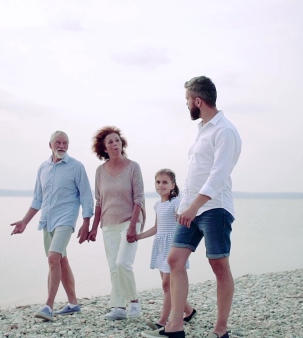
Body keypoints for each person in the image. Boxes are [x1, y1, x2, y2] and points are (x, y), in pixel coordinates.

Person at [142, 76, 242, 338]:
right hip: (191, 209)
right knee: (174, 259)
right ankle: (175, 326)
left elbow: (219, 175)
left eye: (187, 100)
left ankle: (220, 329)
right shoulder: (204, 130)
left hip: (215, 209)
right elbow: (196, 173)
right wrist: (185, 206)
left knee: (218, 264)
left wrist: (194, 205)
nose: (187, 105)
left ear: (198, 100)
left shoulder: (225, 131)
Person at [10, 130, 94, 321]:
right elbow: (38, 199)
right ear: (50, 145)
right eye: (58, 142)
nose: (62, 146)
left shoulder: (76, 167)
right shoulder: (43, 168)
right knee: (61, 261)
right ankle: (73, 303)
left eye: (65, 143)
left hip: (66, 220)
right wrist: (24, 221)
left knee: (53, 258)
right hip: (47, 221)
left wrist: (86, 222)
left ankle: (48, 306)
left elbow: (86, 196)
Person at [78, 126, 146, 320]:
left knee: (123, 263)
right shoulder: (100, 171)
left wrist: (133, 226)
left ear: (121, 143)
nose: (115, 144)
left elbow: (139, 199)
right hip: (108, 224)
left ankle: (134, 302)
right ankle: (118, 307)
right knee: (114, 267)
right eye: (110, 142)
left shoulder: (133, 167)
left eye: (117, 140)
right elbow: (99, 202)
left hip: (129, 221)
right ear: (104, 149)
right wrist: (93, 228)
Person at [136, 169, 196, 330]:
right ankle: (189, 311)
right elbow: (157, 227)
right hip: (160, 246)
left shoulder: (176, 202)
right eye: (158, 182)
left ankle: (162, 321)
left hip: (173, 245)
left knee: (166, 284)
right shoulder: (157, 204)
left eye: (165, 182)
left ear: (172, 185)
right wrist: (139, 236)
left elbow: (181, 218)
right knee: (171, 285)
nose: (161, 185)